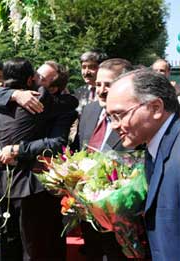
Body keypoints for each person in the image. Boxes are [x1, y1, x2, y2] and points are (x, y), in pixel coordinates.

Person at [0, 58, 78, 261]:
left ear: (55, 87)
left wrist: (18, 149)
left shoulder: (55, 106)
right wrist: (15, 94)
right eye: (37, 75)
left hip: (36, 186)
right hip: (10, 183)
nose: (37, 79)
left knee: (37, 244)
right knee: (13, 241)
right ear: (29, 79)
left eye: (43, 78)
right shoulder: (15, 98)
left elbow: (57, 143)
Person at [106, 69, 180, 261]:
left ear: (155, 108)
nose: (114, 125)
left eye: (120, 114)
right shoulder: (152, 149)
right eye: (110, 117)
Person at [75, 58, 134, 261]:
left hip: (122, 215)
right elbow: (78, 151)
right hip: (88, 211)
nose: (101, 90)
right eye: (98, 84)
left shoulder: (134, 119)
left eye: (108, 85)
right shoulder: (89, 111)